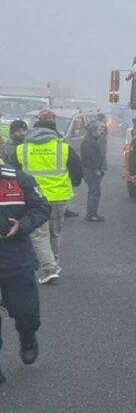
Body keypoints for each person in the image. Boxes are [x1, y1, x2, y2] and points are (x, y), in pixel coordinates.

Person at [15, 115, 84, 284]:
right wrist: (73, 183)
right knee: (55, 232)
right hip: (59, 196)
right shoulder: (64, 148)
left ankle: (49, 268)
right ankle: (55, 264)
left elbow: (15, 174)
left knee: (39, 234)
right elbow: (77, 171)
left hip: (34, 198)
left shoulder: (22, 149)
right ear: (54, 131)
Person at [0, 164, 50, 384]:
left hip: (16, 259)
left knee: (26, 312)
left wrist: (22, 225)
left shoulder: (20, 179)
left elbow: (41, 207)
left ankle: (27, 336)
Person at [79, 121, 108, 222]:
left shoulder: (91, 141)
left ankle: (92, 213)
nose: (102, 132)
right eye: (99, 130)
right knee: (94, 192)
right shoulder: (89, 142)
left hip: (91, 170)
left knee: (94, 192)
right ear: (92, 131)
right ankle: (91, 214)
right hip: (91, 171)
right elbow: (90, 158)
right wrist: (97, 170)